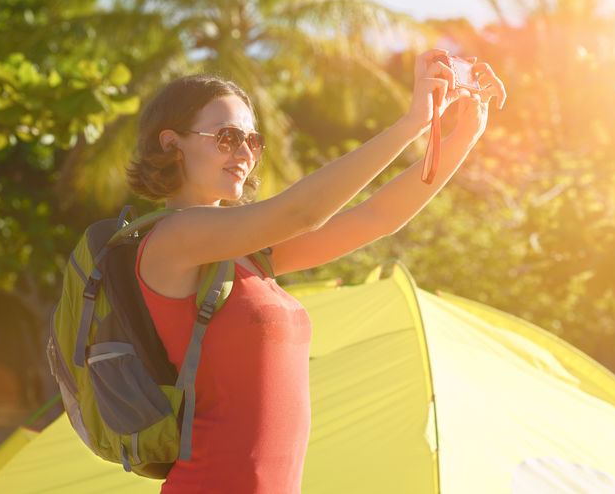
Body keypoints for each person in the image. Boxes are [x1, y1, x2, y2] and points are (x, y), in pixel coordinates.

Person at [126, 48, 505, 493]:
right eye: (227, 137)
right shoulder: (171, 239)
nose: (245, 153)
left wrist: (465, 133)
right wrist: (412, 124)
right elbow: (303, 212)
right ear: (171, 143)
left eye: (252, 140)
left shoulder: (249, 255)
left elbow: (376, 218)